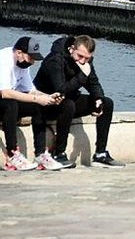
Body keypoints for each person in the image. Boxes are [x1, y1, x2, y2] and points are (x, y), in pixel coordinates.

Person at [33, 35, 124, 168]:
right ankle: (59, 153)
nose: (82, 61)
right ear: (71, 49)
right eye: (79, 56)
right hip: (47, 101)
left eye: (87, 58)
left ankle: (100, 154)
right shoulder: (55, 59)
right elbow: (60, 89)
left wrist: (98, 99)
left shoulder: (86, 62)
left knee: (107, 103)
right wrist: (82, 76)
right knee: (68, 105)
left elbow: (93, 83)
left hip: (68, 98)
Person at [0, 37, 64, 171]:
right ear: (19, 53)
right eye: (31, 58)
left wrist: (48, 97)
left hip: (7, 100)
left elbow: (30, 90)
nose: (33, 62)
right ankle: (12, 154)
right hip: (4, 99)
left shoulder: (23, 64)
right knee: (10, 104)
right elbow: (5, 93)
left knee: (38, 106)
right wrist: (36, 98)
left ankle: (40, 154)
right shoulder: (4, 60)